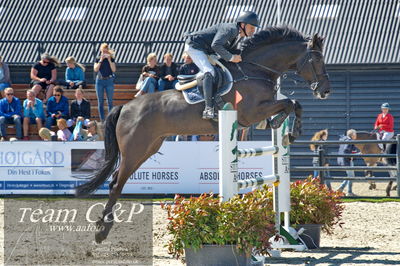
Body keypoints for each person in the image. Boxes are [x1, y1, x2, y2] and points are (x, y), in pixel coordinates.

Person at [184, 11, 259, 119]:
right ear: (243, 25)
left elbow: (230, 50)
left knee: (220, 69)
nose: (253, 30)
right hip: (195, 46)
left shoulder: (238, 35)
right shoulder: (230, 29)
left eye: (254, 28)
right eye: (252, 27)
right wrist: (232, 58)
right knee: (209, 71)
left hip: (207, 50)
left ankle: (217, 100)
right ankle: (208, 109)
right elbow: (216, 45)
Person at [94, 43, 116, 121]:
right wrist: (101, 60)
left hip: (109, 80)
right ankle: (102, 120)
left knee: (109, 101)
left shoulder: (111, 58)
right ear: (101, 51)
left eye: (106, 51)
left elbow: (113, 70)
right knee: (100, 102)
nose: (104, 53)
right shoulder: (98, 58)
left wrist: (109, 59)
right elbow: (96, 69)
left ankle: (110, 120)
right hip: (99, 80)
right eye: (103, 52)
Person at [337, 129, 360, 196]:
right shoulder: (350, 141)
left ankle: (341, 189)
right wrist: (355, 155)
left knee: (350, 176)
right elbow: (346, 150)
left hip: (342, 160)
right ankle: (349, 192)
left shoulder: (344, 139)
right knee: (351, 176)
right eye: (355, 134)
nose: (356, 136)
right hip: (347, 161)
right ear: (352, 135)